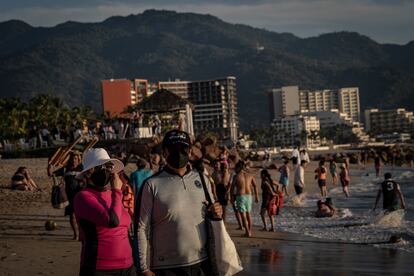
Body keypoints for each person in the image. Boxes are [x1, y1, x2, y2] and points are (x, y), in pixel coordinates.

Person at [135, 130, 222, 276]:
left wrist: (216, 212)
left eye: (184, 149)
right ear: (164, 152)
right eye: (174, 149)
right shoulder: (151, 184)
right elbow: (141, 228)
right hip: (167, 267)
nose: (179, 153)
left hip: (202, 263)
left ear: (190, 152)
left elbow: (212, 213)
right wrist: (143, 268)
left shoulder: (202, 179)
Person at [74, 148, 135, 276]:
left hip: (128, 266)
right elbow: (112, 221)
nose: (107, 171)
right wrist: (117, 191)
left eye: (109, 167)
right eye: (103, 167)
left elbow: (125, 229)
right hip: (100, 268)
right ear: (89, 172)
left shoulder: (111, 195)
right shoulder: (83, 197)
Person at [230, 160, 259, 237]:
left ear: (239, 168)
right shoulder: (250, 175)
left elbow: (232, 188)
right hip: (249, 196)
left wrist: (231, 197)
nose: (234, 170)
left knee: (243, 214)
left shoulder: (236, 176)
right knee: (249, 214)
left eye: (235, 168)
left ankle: (247, 232)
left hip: (240, 196)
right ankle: (249, 231)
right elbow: (255, 186)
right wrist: (256, 196)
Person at [64, 152, 83, 240]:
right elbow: (51, 174)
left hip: (80, 195)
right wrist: (49, 165)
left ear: (78, 159)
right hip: (69, 195)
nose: (73, 160)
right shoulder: (65, 169)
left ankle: (81, 234)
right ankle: (76, 234)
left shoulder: (81, 168)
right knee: (72, 216)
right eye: (72, 158)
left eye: (75, 158)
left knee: (80, 216)